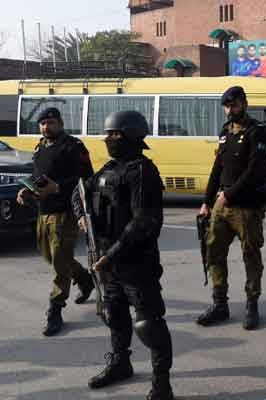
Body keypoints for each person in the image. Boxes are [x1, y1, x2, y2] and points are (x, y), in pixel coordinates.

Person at [72, 110, 174, 399]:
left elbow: (145, 220)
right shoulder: (107, 170)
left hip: (136, 263)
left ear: (132, 135)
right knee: (112, 314)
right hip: (106, 262)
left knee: (149, 324)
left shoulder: (143, 171)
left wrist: (113, 254)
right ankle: (120, 363)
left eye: (115, 134)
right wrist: (81, 215)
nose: (109, 139)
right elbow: (79, 192)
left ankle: (161, 382)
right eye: (108, 134)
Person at [196, 86, 266, 330]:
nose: (230, 110)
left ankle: (252, 304)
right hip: (222, 205)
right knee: (214, 252)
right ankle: (220, 304)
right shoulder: (225, 132)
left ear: (244, 104)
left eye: (234, 105)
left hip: (247, 206)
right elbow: (218, 168)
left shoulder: (258, 133)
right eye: (227, 106)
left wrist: (227, 195)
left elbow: (254, 171)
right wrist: (207, 201)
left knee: (250, 255)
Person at [16, 107, 94, 336]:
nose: (45, 127)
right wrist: (26, 190)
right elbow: (37, 175)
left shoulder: (73, 146)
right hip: (43, 211)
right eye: (42, 123)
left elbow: (87, 179)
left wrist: (58, 187)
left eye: (50, 122)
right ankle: (84, 279)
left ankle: (56, 307)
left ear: (60, 123)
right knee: (52, 256)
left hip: (65, 211)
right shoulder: (40, 146)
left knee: (60, 261)